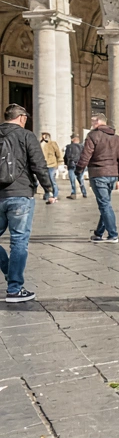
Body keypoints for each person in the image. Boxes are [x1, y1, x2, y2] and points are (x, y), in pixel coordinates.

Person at [0, 106, 53, 302]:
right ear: (22, 118)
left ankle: (9, 271)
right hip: (20, 194)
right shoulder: (26, 136)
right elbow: (39, 164)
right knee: (19, 242)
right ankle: (14, 288)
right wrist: (49, 189)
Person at [77, 114, 119, 243]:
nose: (92, 124)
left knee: (105, 205)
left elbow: (85, 155)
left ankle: (113, 234)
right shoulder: (117, 138)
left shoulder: (93, 136)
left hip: (98, 173)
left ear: (99, 122)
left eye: (93, 121)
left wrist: (79, 170)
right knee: (105, 204)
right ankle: (99, 233)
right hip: (112, 174)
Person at [39, 132, 60, 204]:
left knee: (52, 180)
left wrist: (59, 163)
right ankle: (47, 194)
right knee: (45, 180)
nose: (42, 137)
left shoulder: (52, 143)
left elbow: (58, 153)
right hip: (43, 165)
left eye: (44, 136)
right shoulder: (40, 144)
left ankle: (55, 195)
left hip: (52, 164)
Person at [64, 134, 86, 199]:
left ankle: (73, 193)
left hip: (71, 164)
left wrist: (66, 164)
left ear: (72, 139)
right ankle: (84, 192)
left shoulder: (69, 147)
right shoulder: (82, 147)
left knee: (72, 179)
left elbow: (66, 156)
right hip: (81, 164)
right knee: (80, 179)